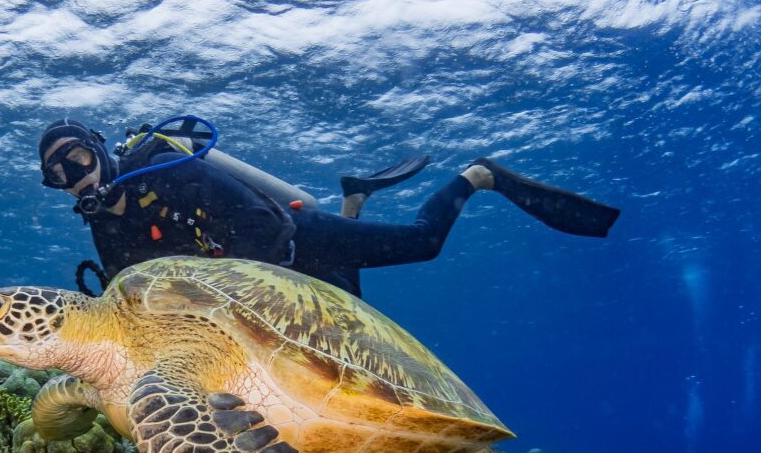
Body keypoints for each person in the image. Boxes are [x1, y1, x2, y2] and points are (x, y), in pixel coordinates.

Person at [39, 116, 620, 297]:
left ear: (100, 153)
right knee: (355, 303)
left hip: (297, 240)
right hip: (274, 288)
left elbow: (264, 222)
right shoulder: (103, 225)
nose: (72, 177)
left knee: (424, 242)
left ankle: (478, 175)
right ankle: (357, 195)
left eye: (77, 158)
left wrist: (224, 288)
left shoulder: (166, 170)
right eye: (56, 174)